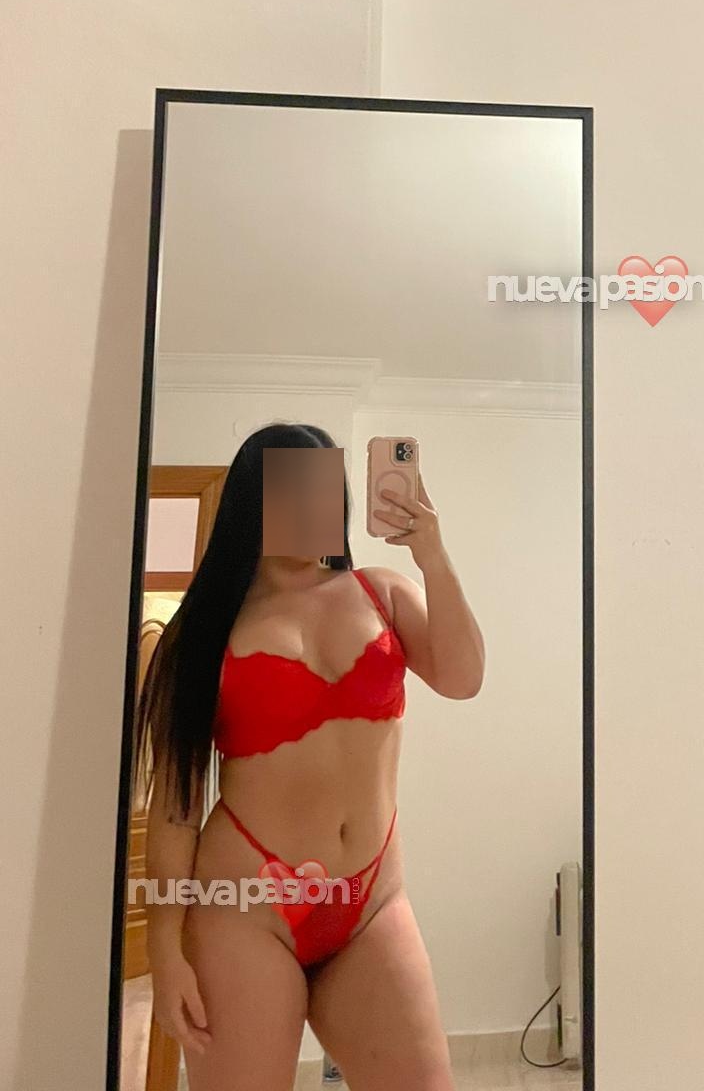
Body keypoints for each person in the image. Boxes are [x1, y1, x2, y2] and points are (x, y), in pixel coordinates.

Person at [134, 421, 485, 1091]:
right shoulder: (202, 633)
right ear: (252, 502)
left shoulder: (382, 593)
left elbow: (463, 677)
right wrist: (165, 950)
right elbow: (177, 810)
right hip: (244, 908)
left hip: (372, 902)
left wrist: (432, 554)